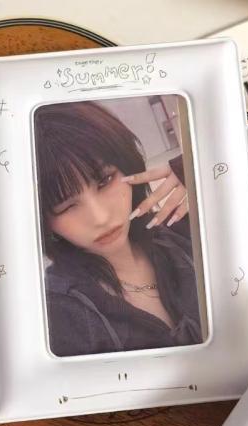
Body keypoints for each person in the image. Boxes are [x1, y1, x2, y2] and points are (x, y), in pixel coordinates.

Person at [34, 100, 203, 357]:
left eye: (105, 181)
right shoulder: (57, 316)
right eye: (66, 206)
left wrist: (201, 169)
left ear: (127, 165)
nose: (100, 217)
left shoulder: (182, 230)